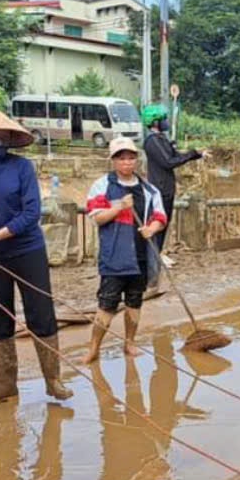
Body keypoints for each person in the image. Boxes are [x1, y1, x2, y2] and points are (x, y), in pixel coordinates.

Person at [0, 106, 73, 405]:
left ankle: (53, 380)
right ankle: (3, 384)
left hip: (26, 249)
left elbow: (31, 212)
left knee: (40, 312)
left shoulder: (21, 168)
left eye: (4, 134)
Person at [83, 138, 168, 365]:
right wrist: (119, 206)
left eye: (131, 158)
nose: (127, 163)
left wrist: (152, 228)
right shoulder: (102, 186)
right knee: (107, 305)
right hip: (114, 256)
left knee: (134, 302)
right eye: (122, 158)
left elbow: (160, 216)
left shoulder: (149, 189)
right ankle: (94, 348)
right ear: (113, 160)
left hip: (140, 257)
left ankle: (130, 342)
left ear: (136, 160)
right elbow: (97, 218)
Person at [141, 104, 206, 254]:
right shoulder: (152, 141)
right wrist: (191, 153)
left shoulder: (161, 139)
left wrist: (197, 154)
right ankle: (153, 257)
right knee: (157, 224)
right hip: (160, 189)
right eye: (163, 119)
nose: (166, 122)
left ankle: (157, 255)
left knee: (164, 223)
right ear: (155, 122)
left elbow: (175, 156)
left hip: (167, 188)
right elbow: (168, 162)